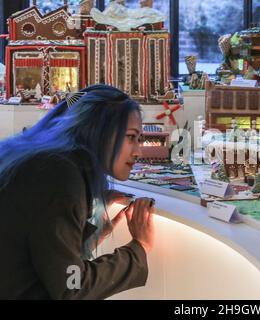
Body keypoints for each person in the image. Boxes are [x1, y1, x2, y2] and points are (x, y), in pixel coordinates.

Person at [0, 84, 155, 299]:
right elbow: (72, 285)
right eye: (131, 137)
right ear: (100, 131)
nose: (138, 151)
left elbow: (36, 254)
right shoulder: (59, 177)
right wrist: (138, 249)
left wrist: (83, 238)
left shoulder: (44, 162)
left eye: (139, 139)